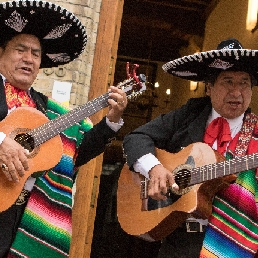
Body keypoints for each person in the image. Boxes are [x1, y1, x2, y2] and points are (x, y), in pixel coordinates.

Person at [0, 1, 128, 257]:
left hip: (24, 217)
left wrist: (112, 121)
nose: (29, 59)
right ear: (1, 52)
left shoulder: (47, 110)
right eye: (20, 50)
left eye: (36, 54)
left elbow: (76, 153)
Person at [123, 38, 258, 258]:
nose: (236, 92)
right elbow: (136, 137)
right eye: (227, 81)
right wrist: (154, 169)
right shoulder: (189, 115)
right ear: (209, 87)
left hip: (234, 245)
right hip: (178, 242)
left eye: (244, 83)